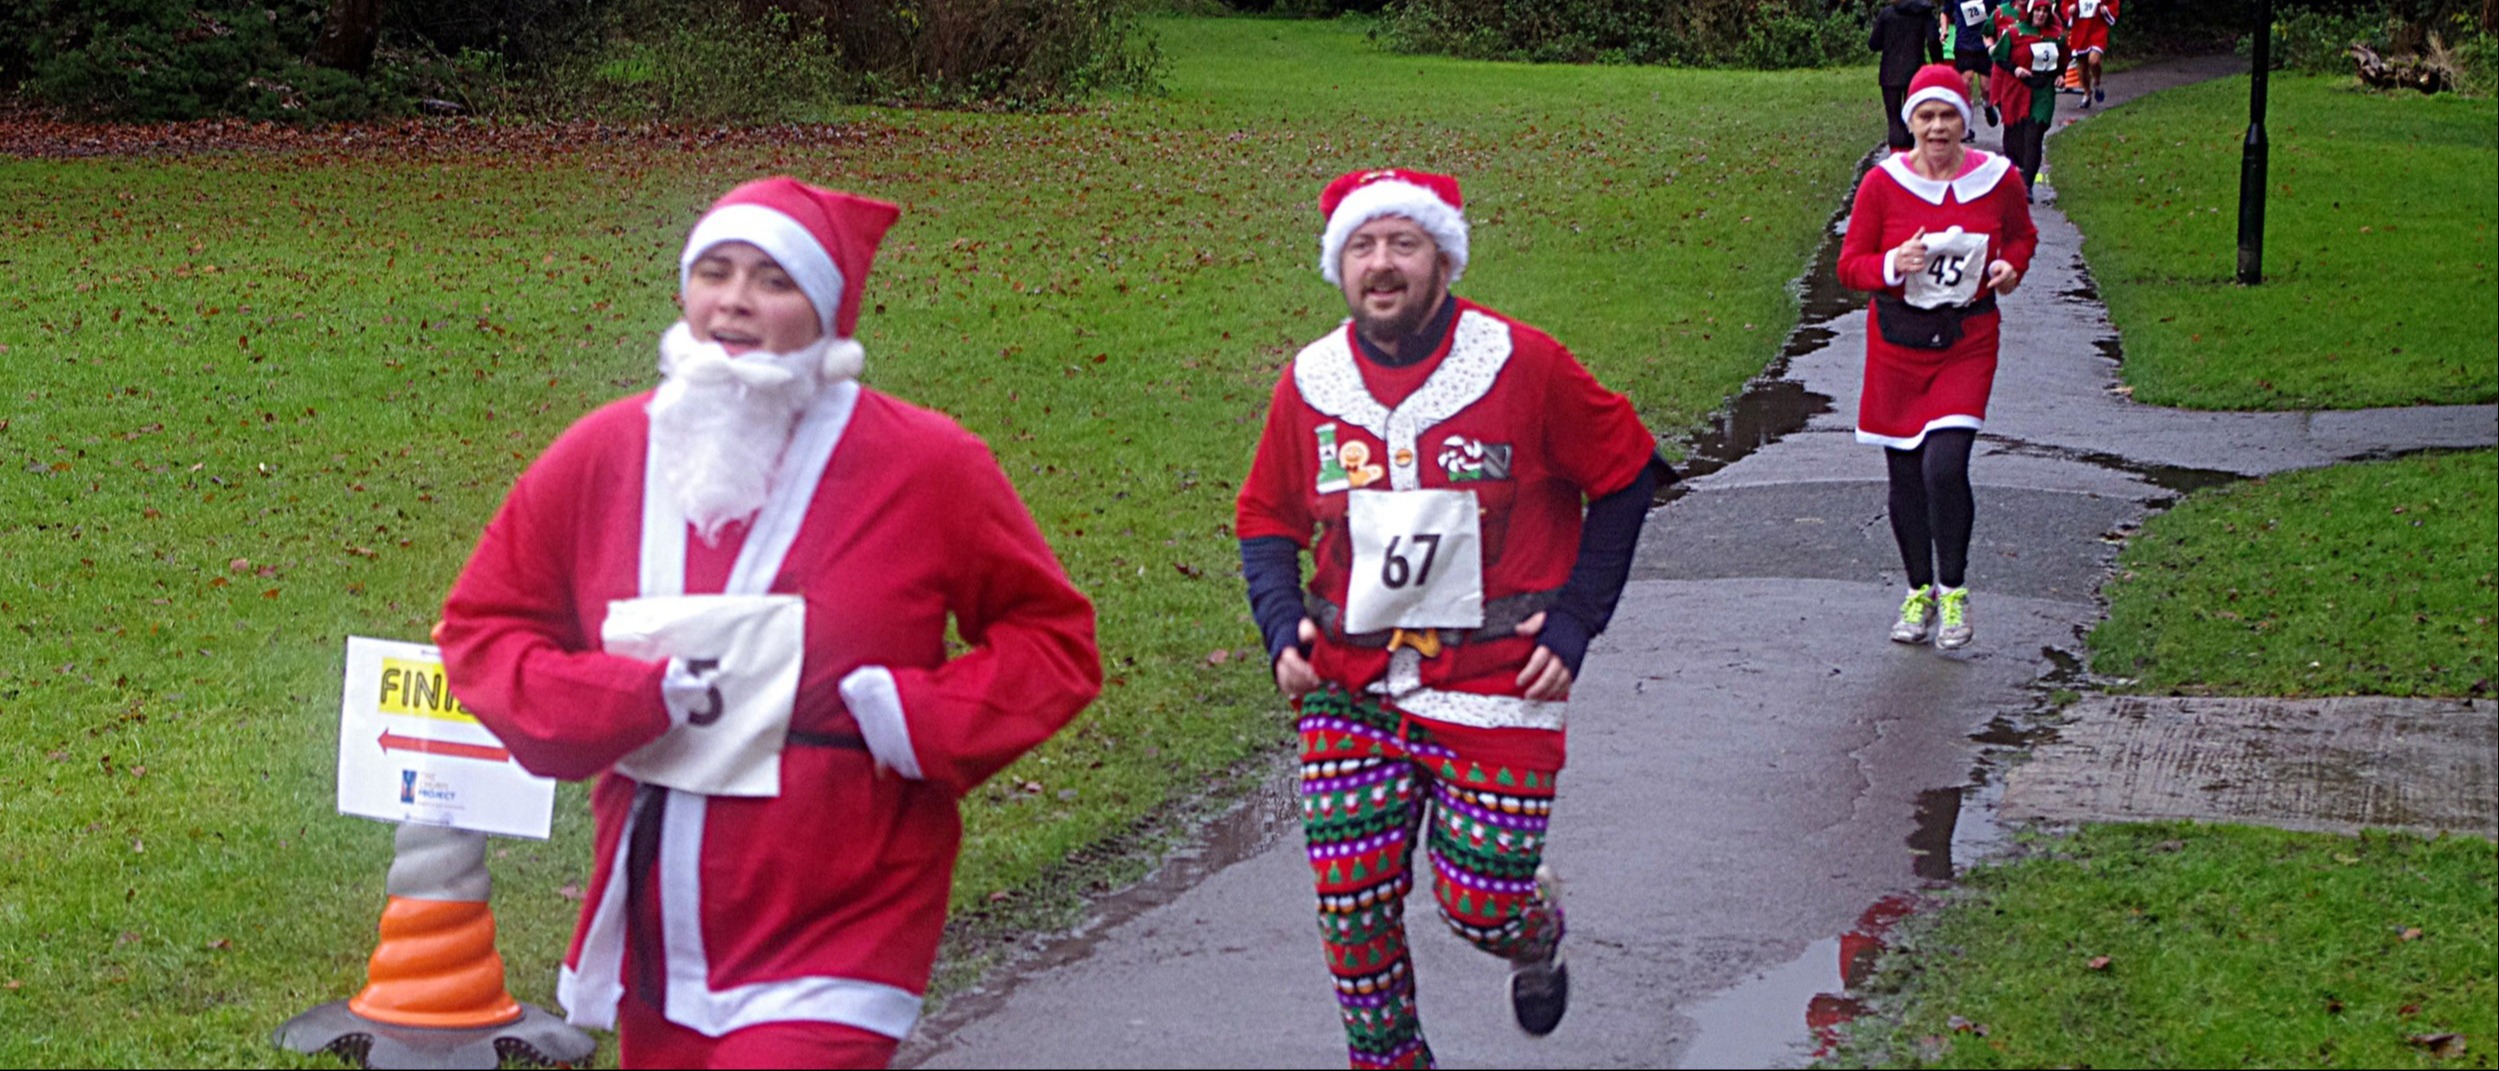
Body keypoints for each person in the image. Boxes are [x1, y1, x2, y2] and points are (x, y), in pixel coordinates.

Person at [437, 177, 1102, 1069]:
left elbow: (1050, 640)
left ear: (824, 310)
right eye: (714, 272)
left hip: (846, 896)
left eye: (773, 280)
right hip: (660, 900)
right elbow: (483, 633)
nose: (736, 302)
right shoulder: (601, 452)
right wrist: (619, 697)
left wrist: (912, 719)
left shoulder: (929, 464)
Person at [1236, 168, 1670, 1069]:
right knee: (1350, 908)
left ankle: (1532, 924)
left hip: (1498, 683)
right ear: (1338, 265)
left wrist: (1576, 621)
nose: (1382, 264)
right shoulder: (1310, 383)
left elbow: (1628, 472)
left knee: (1480, 902)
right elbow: (1267, 516)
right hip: (1350, 688)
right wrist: (1282, 627)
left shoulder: (1522, 366)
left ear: (1443, 257)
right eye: (1362, 246)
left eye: (1403, 243)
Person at [1837, 66, 2037, 651]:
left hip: (1966, 340)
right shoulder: (1882, 185)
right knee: (1904, 474)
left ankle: (1953, 592)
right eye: (1925, 116)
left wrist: (2010, 268)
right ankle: (1917, 591)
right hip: (1898, 343)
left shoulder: (1998, 180)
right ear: (1911, 123)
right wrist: (1892, 264)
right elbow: (1850, 265)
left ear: (1964, 122)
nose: (1937, 127)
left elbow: (2022, 235)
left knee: (1944, 468)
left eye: (1948, 115)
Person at [1989, 0, 2069, 193]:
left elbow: (2063, 60)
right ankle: (2016, 171)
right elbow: (1998, 57)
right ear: (2031, 12)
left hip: (2042, 91)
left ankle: (2027, 185)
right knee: (2014, 136)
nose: (2041, 14)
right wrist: (2015, 69)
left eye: (2045, 11)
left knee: (2034, 136)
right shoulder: (2015, 33)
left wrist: (2060, 75)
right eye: (2038, 10)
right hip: (2017, 89)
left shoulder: (2056, 36)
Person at [1871, 0, 1947, 151]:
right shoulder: (1924, 13)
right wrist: (1938, 64)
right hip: (1915, 71)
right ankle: (1911, 153)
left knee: (1894, 119)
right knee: (1913, 117)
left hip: (1890, 72)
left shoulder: (1887, 14)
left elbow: (1873, 43)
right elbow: (1933, 40)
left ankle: (1896, 157)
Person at [1942, 0, 1999, 130]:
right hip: (1964, 44)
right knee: (1966, 83)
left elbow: (2001, 10)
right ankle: (1967, 126)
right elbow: (1945, 13)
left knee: (1987, 88)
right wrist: (1944, 30)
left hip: (1984, 44)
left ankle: (1987, 106)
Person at [2060, 0, 2117, 107]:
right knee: (2082, 66)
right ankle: (2087, 93)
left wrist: (2107, 10)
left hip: (2097, 29)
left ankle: (2097, 82)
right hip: (2080, 30)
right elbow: (2065, 5)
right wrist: (2070, 10)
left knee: (2094, 61)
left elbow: (2113, 3)